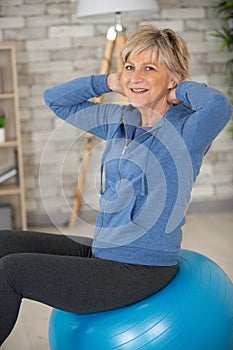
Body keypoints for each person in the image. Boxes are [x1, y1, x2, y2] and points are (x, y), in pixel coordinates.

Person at [0, 25, 232, 346]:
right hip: (105, 251)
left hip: (139, 268)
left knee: (11, 272)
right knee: (3, 242)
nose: (135, 76)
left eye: (149, 68)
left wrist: (180, 91)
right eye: (130, 67)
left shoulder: (187, 131)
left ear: (174, 76)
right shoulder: (121, 120)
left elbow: (219, 106)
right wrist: (111, 81)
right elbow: (55, 100)